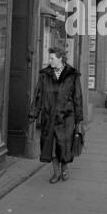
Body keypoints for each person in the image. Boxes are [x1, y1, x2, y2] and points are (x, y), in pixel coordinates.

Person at [28, 47, 83, 184]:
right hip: (49, 116)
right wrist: (33, 113)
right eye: (49, 58)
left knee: (63, 146)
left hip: (66, 118)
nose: (49, 61)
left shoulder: (72, 75)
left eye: (52, 58)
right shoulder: (45, 75)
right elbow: (38, 95)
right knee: (51, 147)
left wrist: (79, 118)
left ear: (60, 59)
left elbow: (78, 97)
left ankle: (64, 168)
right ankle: (56, 172)